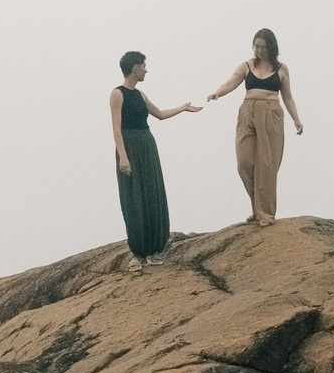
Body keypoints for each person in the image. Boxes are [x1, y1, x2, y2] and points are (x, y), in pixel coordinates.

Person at [207, 28, 304, 226]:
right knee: (244, 163)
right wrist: (217, 93)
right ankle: (256, 208)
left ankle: (265, 214)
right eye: (256, 46)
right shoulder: (247, 65)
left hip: (271, 112)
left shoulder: (281, 68)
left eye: (263, 47)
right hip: (247, 112)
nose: (259, 51)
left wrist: (296, 119)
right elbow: (231, 82)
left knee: (266, 166)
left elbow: (288, 96)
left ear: (271, 48)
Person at [111, 51, 199, 260]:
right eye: (143, 66)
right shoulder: (117, 94)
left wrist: (183, 108)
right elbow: (116, 128)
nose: (146, 70)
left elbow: (159, 114)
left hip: (147, 144)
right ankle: (137, 252)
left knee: (151, 192)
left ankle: (153, 250)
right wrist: (123, 156)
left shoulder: (140, 95)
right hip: (129, 146)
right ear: (135, 68)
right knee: (133, 196)